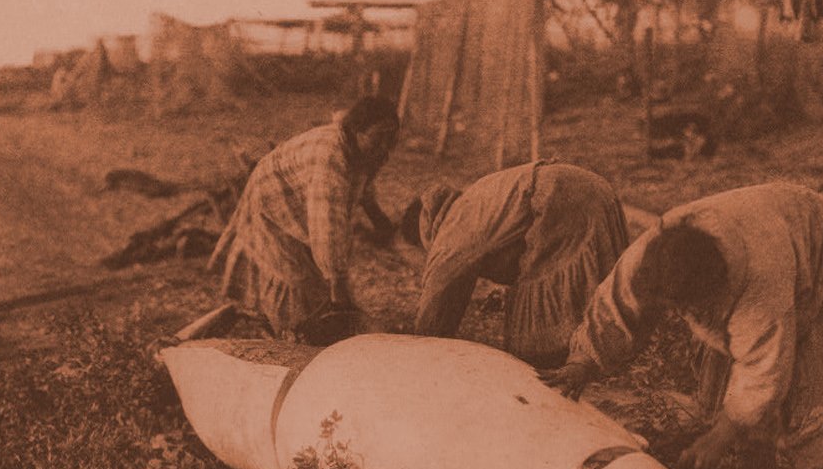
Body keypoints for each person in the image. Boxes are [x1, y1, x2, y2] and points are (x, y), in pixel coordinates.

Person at [540, 182, 823, 469]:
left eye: (685, 307)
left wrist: (720, 437)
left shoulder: (761, 280)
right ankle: (757, 461)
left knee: (814, 384)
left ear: (713, 290)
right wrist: (583, 361)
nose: (678, 315)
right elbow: (617, 300)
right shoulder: (658, 251)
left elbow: (761, 368)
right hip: (777, 226)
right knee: (733, 385)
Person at [205, 96, 400, 344]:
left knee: (322, 284)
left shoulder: (366, 151)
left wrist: (380, 219)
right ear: (357, 130)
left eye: (392, 138)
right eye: (379, 137)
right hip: (272, 203)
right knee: (293, 279)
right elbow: (327, 226)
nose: (386, 147)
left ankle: (314, 320)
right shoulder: (330, 157)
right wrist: (338, 295)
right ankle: (286, 331)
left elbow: (363, 186)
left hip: (300, 203)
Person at [404, 161, 630, 368]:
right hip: (591, 186)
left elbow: (439, 289)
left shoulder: (452, 228)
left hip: (559, 197)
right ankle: (587, 358)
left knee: (528, 348)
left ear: (423, 230)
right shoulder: (472, 200)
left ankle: (557, 369)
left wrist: (422, 351)